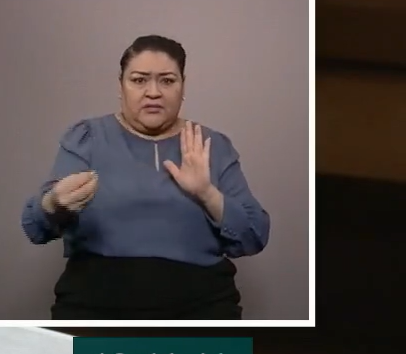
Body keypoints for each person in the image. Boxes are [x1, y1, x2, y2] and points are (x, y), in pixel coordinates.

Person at [21, 34, 271, 320]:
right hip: (95, 309)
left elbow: (255, 235)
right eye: (139, 80)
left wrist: (207, 193)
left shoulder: (211, 145)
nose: (153, 92)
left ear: (183, 86)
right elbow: (35, 228)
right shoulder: (87, 139)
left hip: (202, 310)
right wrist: (53, 204)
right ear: (121, 86)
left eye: (167, 81)